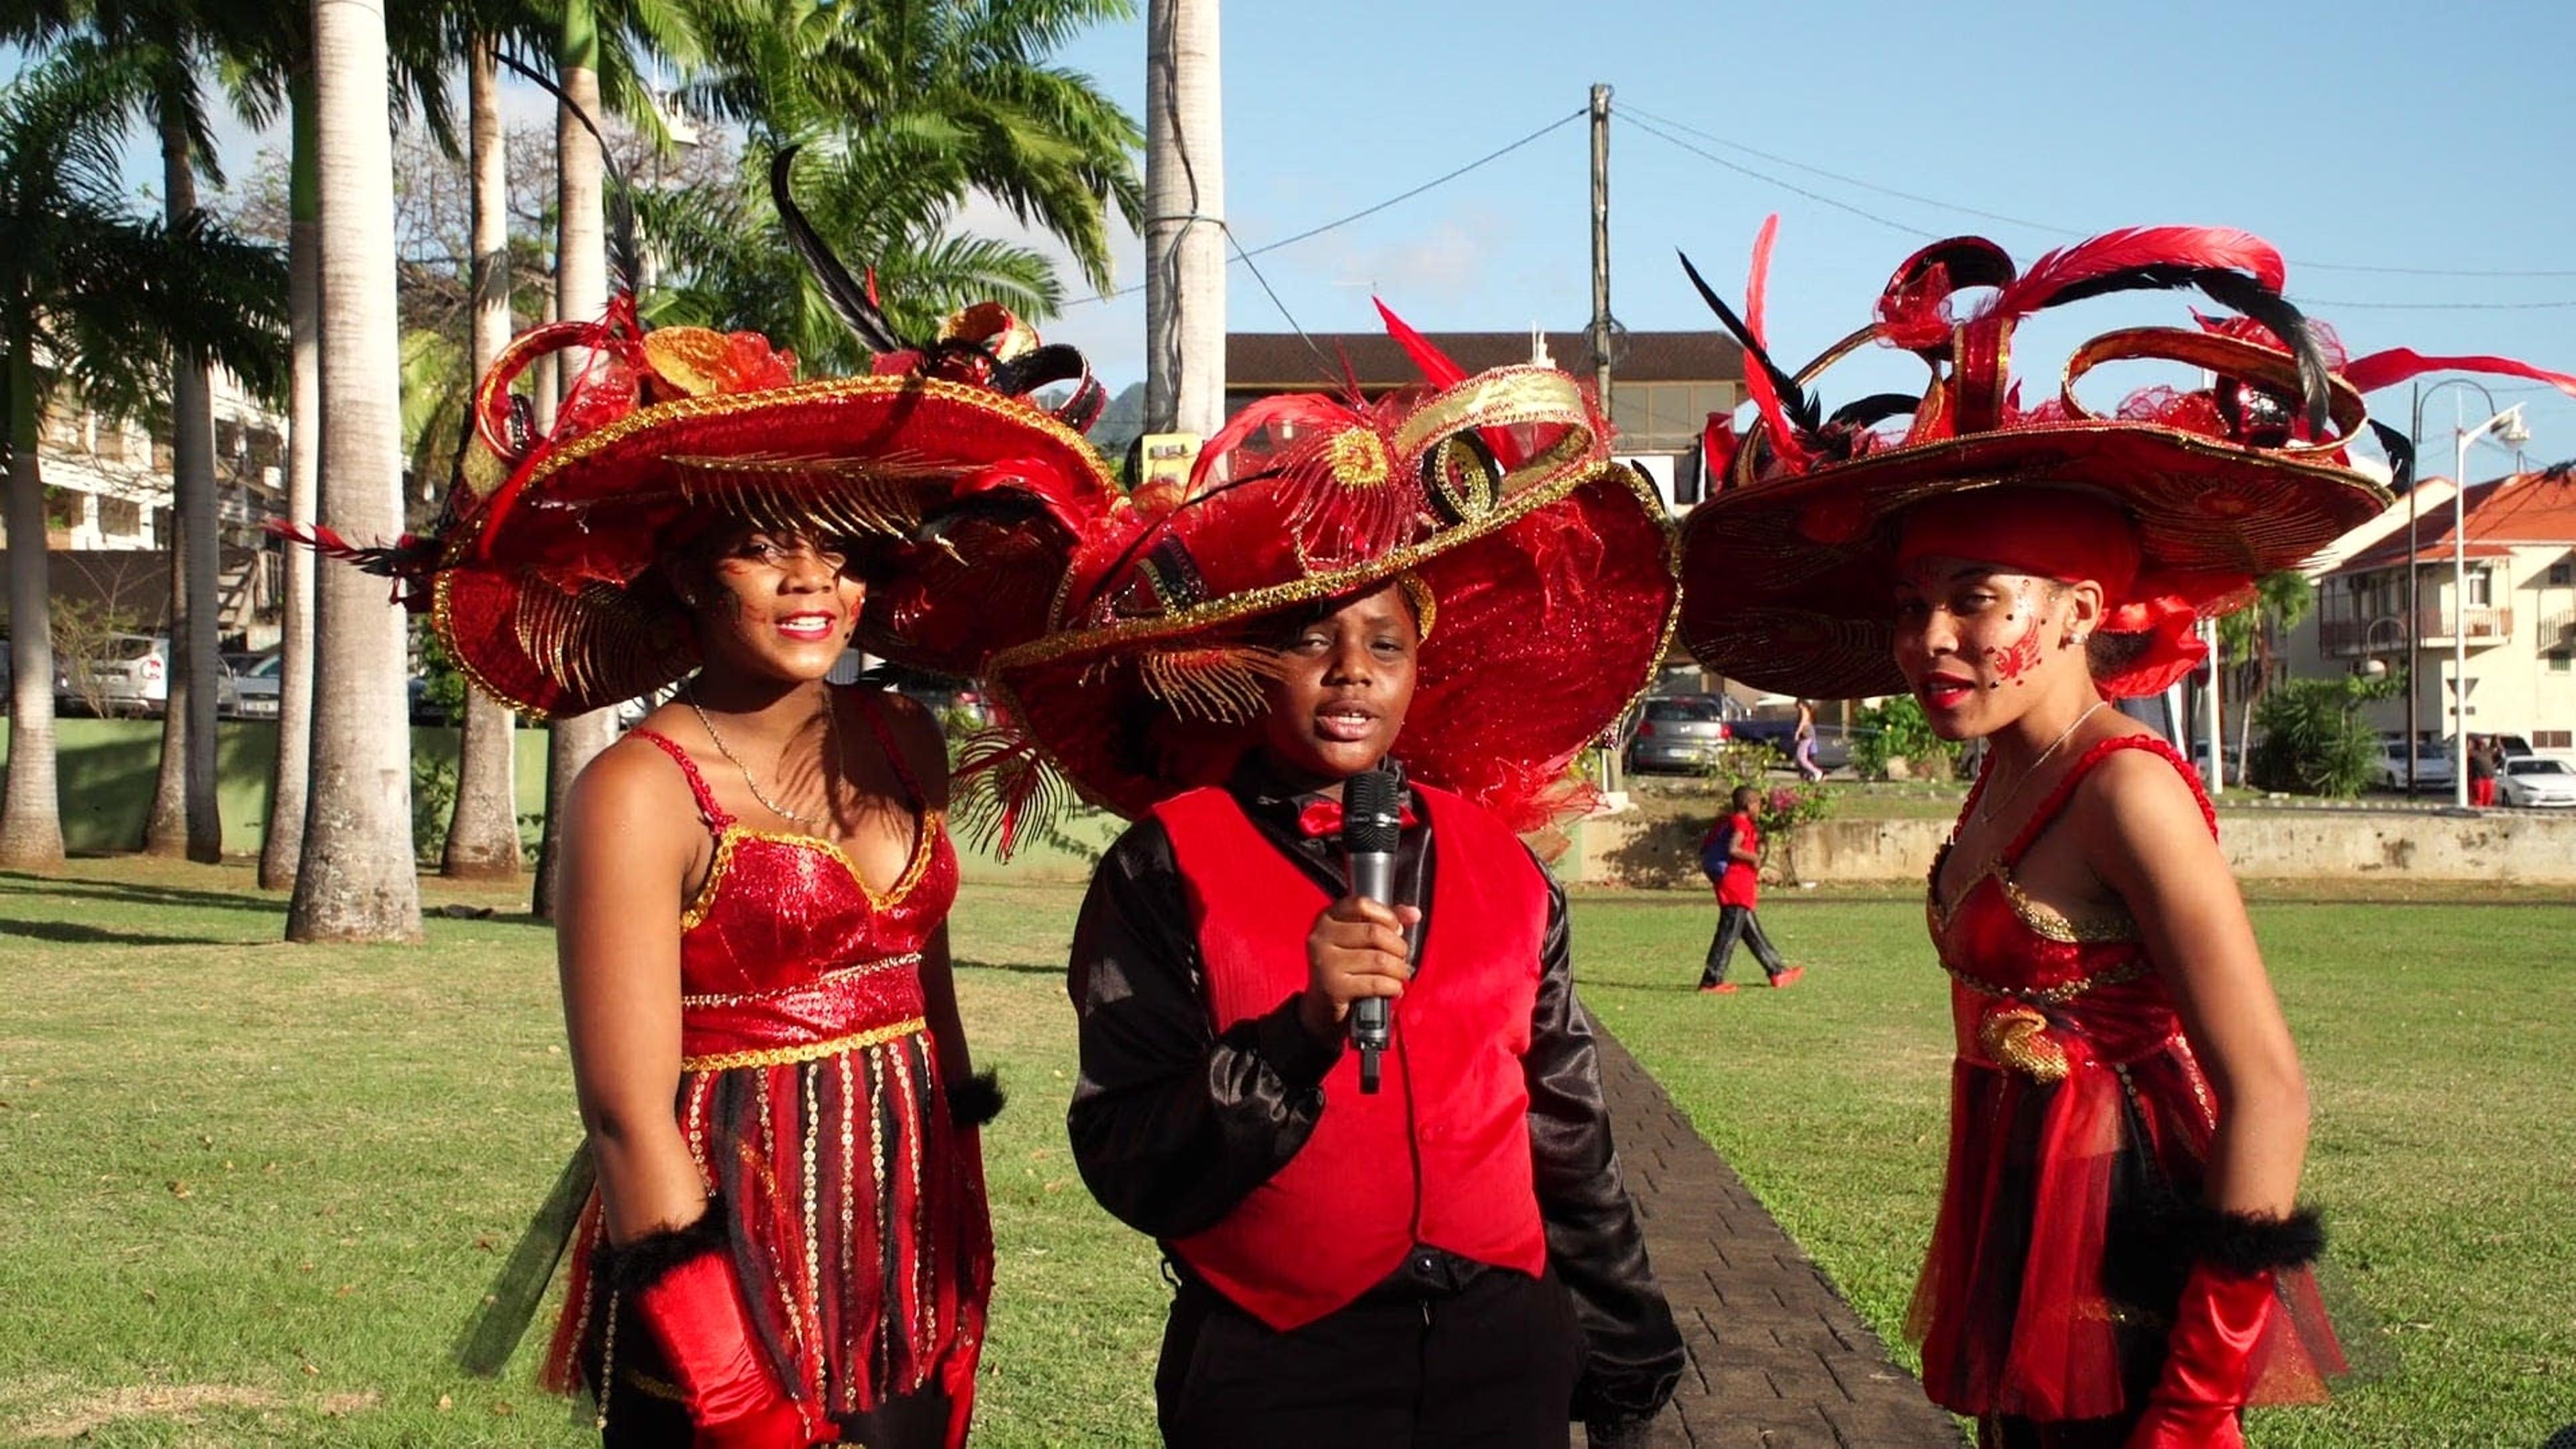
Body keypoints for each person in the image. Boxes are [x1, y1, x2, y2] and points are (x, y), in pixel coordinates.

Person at [1673, 218, 2574, 1444]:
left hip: (2128, 1262)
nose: (1930, 638)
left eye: (1975, 600)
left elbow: (2270, 1093)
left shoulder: (2126, 789)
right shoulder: (2001, 769)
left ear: (2083, 608)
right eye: (1910, 606)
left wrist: (2199, 1399)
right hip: (2017, 1226)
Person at [299, 166, 1121, 1447]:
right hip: (729, 1246)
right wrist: (727, 1372)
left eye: (838, 548)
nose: (811, 584)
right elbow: (626, 1110)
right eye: (765, 545)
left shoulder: (902, 736)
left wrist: (960, 1219)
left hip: (909, 1231)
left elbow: (934, 1007)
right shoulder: (639, 791)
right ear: (689, 572)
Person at [967, 333, 1686, 1448]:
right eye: (1312, 639)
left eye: (1384, 644)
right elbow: (1128, 1157)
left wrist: (1624, 1338)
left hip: (1503, 1358)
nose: (1353, 670)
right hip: (1278, 1369)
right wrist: (1298, 1037)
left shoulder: (1498, 861)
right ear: (1251, 661)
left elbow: (1565, 1125)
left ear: (1417, 671)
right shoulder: (1164, 864)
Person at [1697, 785, 1804, 993]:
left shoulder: (1732, 821)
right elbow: (1733, 849)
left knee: (1752, 932)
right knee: (1728, 934)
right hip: (1735, 885)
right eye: (1759, 803)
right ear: (1749, 805)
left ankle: (1777, 971)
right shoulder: (1740, 823)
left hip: (1738, 886)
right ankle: (1711, 981)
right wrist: (1754, 858)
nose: (1761, 807)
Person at [1792, 698, 1827, 781]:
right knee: (1799, 759)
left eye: (1799, 703)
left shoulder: (1804, 710)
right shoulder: (1805, 710)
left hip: (1806, 735)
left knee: (1801, 758)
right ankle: (1807, 775)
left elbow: (1803, 722)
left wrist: (1797, 733)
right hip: (1806, 735)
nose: (1798, 705)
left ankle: (1817, 773)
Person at [2468, 735, 2498, 808]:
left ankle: (2486, 814)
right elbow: (2467, 752)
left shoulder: (2488, 752)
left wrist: (2495, 737)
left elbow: (2495, 747)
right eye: (2480, 744)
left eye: (2483, 744)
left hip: (2489, 779)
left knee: (2489, 799)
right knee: (2479, 799)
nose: (2482, 746)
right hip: (2479, 780)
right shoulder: (2473, 753)